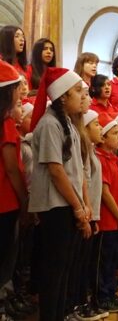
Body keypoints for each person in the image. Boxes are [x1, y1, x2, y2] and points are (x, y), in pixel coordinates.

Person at [28, 67, 91, 321]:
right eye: (77, 91)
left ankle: (60, 314)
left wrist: (84, 205)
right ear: (63, 96)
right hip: (56, 207)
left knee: (65, 267)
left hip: (68, 204)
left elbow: (77, 171)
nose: (82, 95)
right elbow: (56, 170)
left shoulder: (68, 125)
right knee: (54, 270)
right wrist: (78, 207)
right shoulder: (49, 124)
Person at [94, 113, 118, 313]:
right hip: (107, 221)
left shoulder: (113, 159)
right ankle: (103, 296)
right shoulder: (100, 159)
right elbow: (105, 192)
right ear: (104, 137)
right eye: (114, 133)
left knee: (112, 259)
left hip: (115, 222)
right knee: (105, 261)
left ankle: (110, 293)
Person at [0, 61, 27, 321]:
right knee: (5, 257)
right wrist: (25, 200)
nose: (20, 93)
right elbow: (11, 168)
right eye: (17, 88)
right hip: (5, 202)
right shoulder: (6, 123)